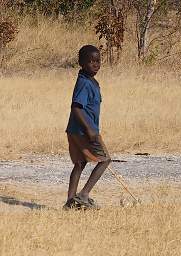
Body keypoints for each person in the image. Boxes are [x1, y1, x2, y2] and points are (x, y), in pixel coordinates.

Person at [64, 45, 111, 210]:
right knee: (105, 160)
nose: (95, 64)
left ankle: (70, 201)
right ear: (81, 63)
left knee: (79, 163)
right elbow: (76, 108)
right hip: (84, 131)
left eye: (97, 61)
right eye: (90, 61)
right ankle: (83, 195)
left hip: (74, 129)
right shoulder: (84, 83)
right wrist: (90, 130)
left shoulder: (90, 80)